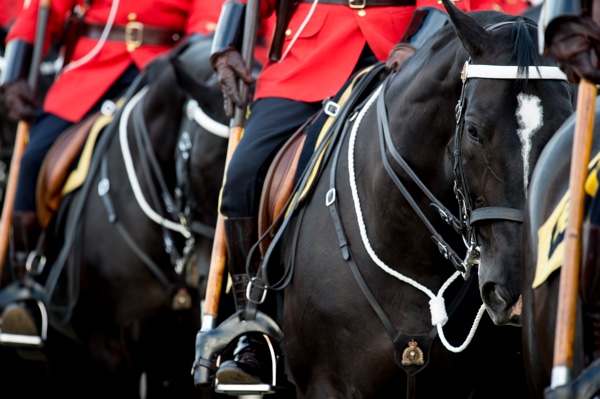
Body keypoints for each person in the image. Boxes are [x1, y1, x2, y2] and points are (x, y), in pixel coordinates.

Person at [209, 0, 531, 386]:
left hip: (408, 52)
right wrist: (224, 47)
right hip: (309, 57)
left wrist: (420, 38)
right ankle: (252, 328)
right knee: (243, 175)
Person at [0, 0, 225, 341]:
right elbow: (45, 11)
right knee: (33, 160)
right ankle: (28, 280)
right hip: (95, 67)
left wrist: (198, 53)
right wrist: (14, 74)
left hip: (164, 73)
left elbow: (209, 12)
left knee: (209, 159)